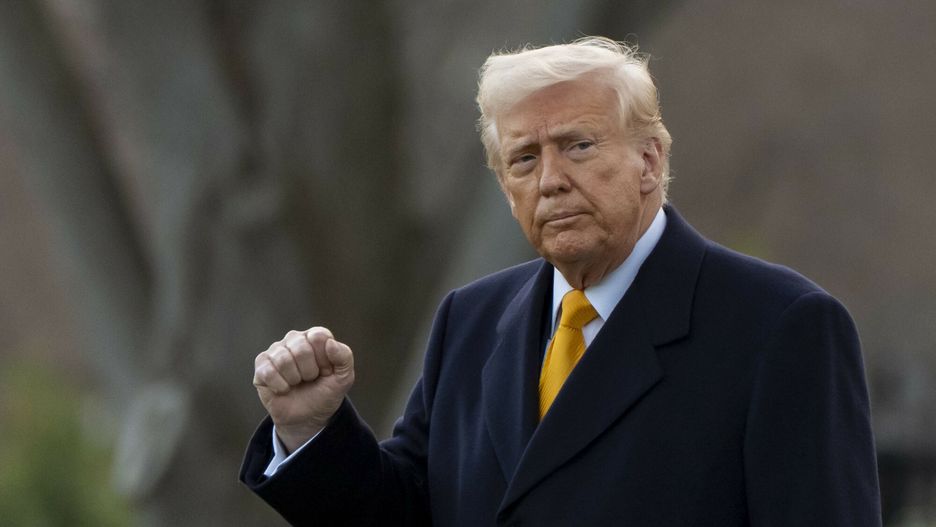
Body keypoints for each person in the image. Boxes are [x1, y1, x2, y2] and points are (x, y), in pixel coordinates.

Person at [240, 37, 881, 526]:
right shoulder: (470, 319)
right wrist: (312, 432)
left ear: (650, 160)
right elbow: (404, 512)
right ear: (504, 184)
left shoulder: (780, 325)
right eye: (524, 158)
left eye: (577, 146)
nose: (550, 180)